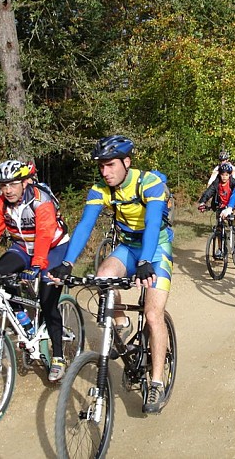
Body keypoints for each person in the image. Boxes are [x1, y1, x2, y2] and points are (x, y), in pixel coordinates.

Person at [47, 135, 173, 414]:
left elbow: (153, 224)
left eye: (110, 165)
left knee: (153, 314)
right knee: (103, 276)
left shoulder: (149, 183)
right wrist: (67, 263)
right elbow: (84, 226)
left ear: (126, 162)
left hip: (156, 248)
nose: (105, 172)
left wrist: (145, 262)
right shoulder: (100, 189)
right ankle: (121, 322)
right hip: (128, 247)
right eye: (101, 166)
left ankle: (156, 381)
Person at [0, 160, 71, 383]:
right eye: (3, 185)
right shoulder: (1, 205)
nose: (7, 190)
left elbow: (45, 233)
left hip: (53, 248)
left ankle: (57, 356)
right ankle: (21, 316)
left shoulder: (41, 201)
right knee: (0, 272)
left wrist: (37, 265)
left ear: (25, 183)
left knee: (48, 300)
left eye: (13, 184)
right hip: (23, 247)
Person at [198, 163, 235, 258]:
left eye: (226, 175)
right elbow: (208, 192)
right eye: (222, 174)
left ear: (230, 175)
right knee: (219, 226)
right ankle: (220, 248)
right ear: (219, 174)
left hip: (233, 205)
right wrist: (202, 202)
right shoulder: (216, 183)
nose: (224, 177)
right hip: (221, 206)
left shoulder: (234, 183)